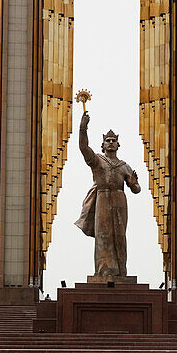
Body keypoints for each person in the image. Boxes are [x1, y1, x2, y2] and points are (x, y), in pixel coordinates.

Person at [75, 110, 141, 278]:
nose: (111, 142)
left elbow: (136, 189)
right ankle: (104, 271)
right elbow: (84, 148)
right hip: (102, 199)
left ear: (118, 145)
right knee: (103, 235)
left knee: (119, 236)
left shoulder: (124, 166)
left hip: (120, 200)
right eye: (107, 141)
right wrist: (83, 128)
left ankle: (120, 271)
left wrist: (133, 183)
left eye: (114, 141)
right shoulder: (97, 160)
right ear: (103, 145)